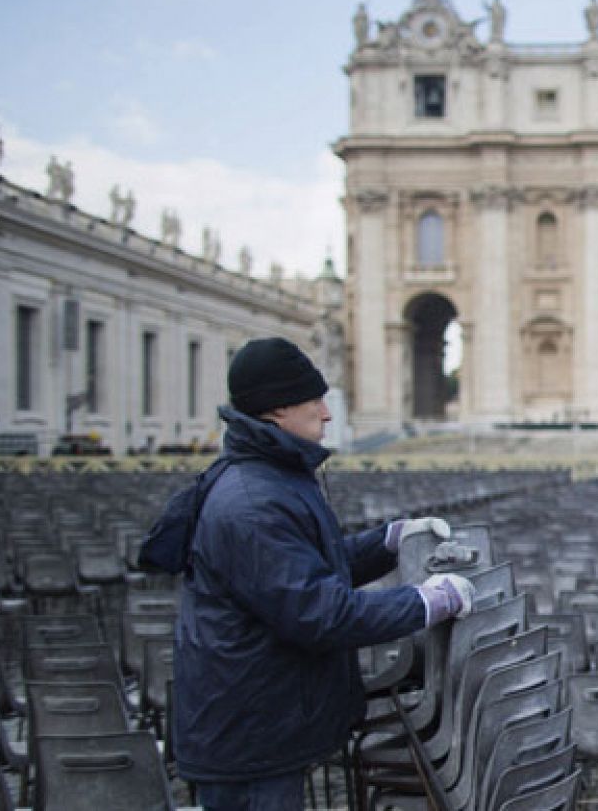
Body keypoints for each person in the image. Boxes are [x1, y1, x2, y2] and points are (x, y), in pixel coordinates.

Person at [163, 337, 477, 810]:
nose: (327, 413)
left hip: (261, 719)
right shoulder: (252, 503)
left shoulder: (269, 479)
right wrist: (426, 602)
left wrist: (389, 542)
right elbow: (316, 611)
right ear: (278, 409)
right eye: (315, 399)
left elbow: (304, 568)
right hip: (250, 734)